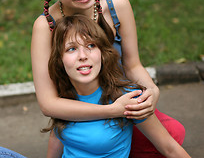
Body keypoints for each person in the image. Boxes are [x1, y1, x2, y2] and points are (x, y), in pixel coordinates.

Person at [31, 0, 185, 157]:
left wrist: (152, 91)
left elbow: (132, 65)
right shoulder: (46, 26)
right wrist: (111, 111)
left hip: (122, 98)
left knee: (172, 134)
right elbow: (48, 104)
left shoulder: (117, 5)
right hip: (82, 109)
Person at [43, 15, 190, 158]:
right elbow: (56, 136)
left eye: (91, 45)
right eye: (71, 49)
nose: (83, 55)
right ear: (60, 59)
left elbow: (169, 148)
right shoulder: (63, 98)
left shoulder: (127, 97)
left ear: (102, 53)